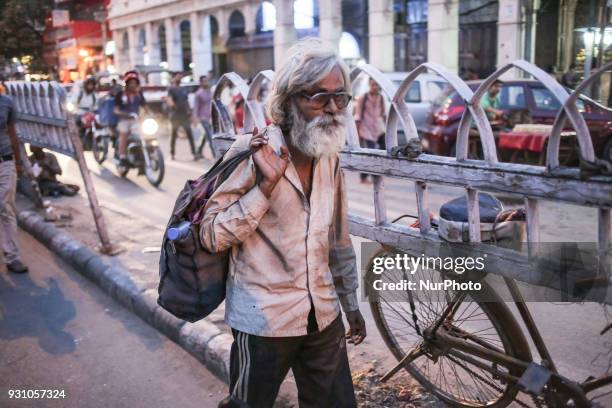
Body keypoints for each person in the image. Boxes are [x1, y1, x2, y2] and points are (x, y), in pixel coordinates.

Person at [201, 37, 365, 408]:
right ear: (289, 101)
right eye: (318, 97)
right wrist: (264, 188)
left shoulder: (330, 157)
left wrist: (350, 303)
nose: (332, 108)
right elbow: (211, 235)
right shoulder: (251, 153)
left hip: (322, 314)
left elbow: (338, 238)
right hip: (264, 320)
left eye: (340, 97)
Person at [0, 92, 28, 273]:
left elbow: (12, 132)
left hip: (5, 160)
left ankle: (12, 256)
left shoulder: (7, 103)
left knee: (5, 206)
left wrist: (18, 161)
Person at [354, 77, 386, 184]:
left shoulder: (381, 98)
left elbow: (383, 114)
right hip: (366, 130)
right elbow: (358, 115)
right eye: (373, 85)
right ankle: (366, 177)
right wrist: (358, 132)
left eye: (377, 84)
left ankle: (378, 174)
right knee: (370, 153)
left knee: (384, 150)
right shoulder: (364, 98)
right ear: (369, 85)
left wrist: (386, 127)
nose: (375, 87)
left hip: (378, 129)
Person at [114, 71, 147, 166]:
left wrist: (151, 115)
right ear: (127, 84)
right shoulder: (120, 94)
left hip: (136, 121)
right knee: (123, 134)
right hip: (124, 120)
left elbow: (145, 107)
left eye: (135, 83)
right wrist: (125, 114)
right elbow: (116, 110)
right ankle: (122, 156)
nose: (133, 85)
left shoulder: (139, 94)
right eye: (131, 83)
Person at [167, 73, 198, 161]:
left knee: (190, 134)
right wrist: (173, 105)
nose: (179, 78)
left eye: (180, 77)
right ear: (174, 78)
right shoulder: (171, 89)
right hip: (175, 116)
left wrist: (189, 112)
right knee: (174, 134)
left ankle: (194, 153)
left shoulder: (184, 89)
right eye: (177, 76)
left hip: (185, 116)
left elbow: (186, 101)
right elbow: (169, 99)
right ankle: (172, 153)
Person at [192, 75, 214, 157]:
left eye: (207, 81)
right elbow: (195, 107)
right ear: (200, 82)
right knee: (210, 136)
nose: (206, 83)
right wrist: (195, 118)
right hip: (203, 118)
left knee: (206, 135)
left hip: (210, 117)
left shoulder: (210, 92)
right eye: (204, 81)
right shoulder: (198, 94)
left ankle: (199, 151)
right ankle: (215, 155)